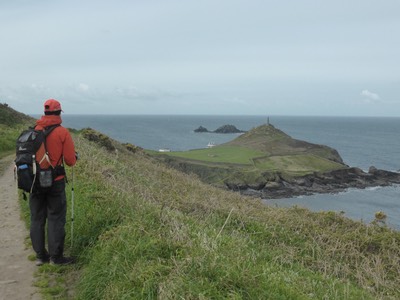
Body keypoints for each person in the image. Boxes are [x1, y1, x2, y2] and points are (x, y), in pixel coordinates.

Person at [30, 99, 77, 266]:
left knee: (36, 218)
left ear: (45, 112)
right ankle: (56, 258)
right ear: (58, 113)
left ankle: (40, 256)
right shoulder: (62, 132)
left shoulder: (35, 130)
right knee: (55, 218)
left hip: (35, 181)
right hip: (54, 181)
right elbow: (70, 161)